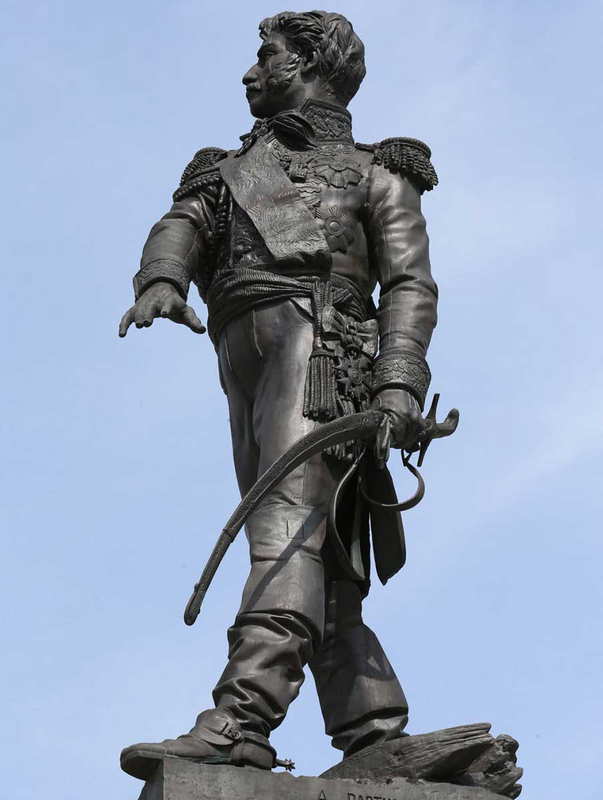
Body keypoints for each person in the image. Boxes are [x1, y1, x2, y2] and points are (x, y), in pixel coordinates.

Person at [119, 10, 438, 780]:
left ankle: (243, 714)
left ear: (310, 65)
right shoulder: (227, 169)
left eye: (267, 56)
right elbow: (181, 224)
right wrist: (163, 278)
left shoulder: (378, 171)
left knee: (287, 524)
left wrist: (398, 380)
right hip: (243, 361)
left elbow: (408, 284)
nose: (250, 71)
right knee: (315, 541)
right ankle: (371, 725)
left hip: (320, 349)